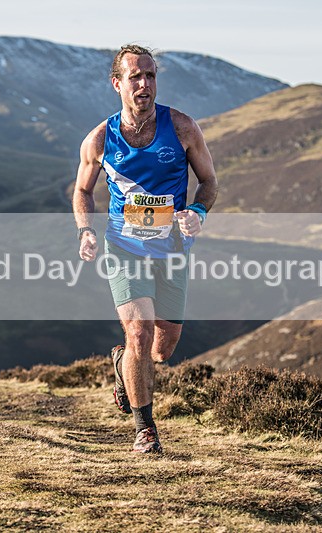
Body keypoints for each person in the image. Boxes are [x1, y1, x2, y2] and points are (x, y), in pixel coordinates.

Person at [72, 44, 218, 453]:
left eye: (150, 76)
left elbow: (209, 182)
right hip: (124, 246)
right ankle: (145, 429)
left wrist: (197, 212)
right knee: (138, 330)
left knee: (162, 347)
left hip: (172, 247)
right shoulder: (101, 138)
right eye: (135, 77)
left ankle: (123, 364)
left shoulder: (183, 128)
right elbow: (82, 190)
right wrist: (86, 229)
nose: (144, 84)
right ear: (117, 83)